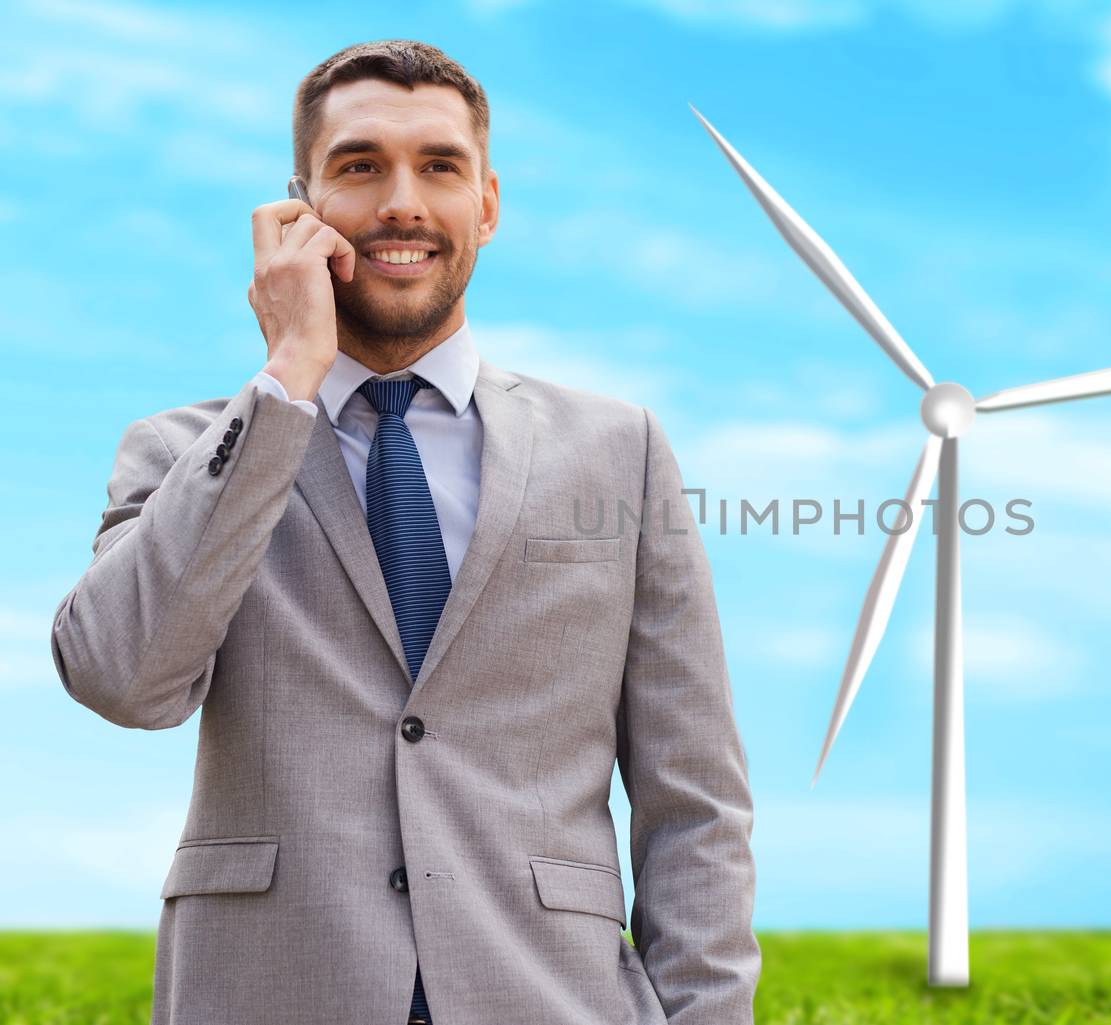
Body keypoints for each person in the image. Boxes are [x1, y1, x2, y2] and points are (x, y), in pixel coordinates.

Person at [48, 39, 759, 1025]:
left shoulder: (618, 451)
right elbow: (120, 677)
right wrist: (287, 374)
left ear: (489, 203)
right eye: (358, 165)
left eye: (439, 166)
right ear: (298, 207)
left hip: (550, 993)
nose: (401, 204)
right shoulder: (182, 451)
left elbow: (694, 801)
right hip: (270, 990)